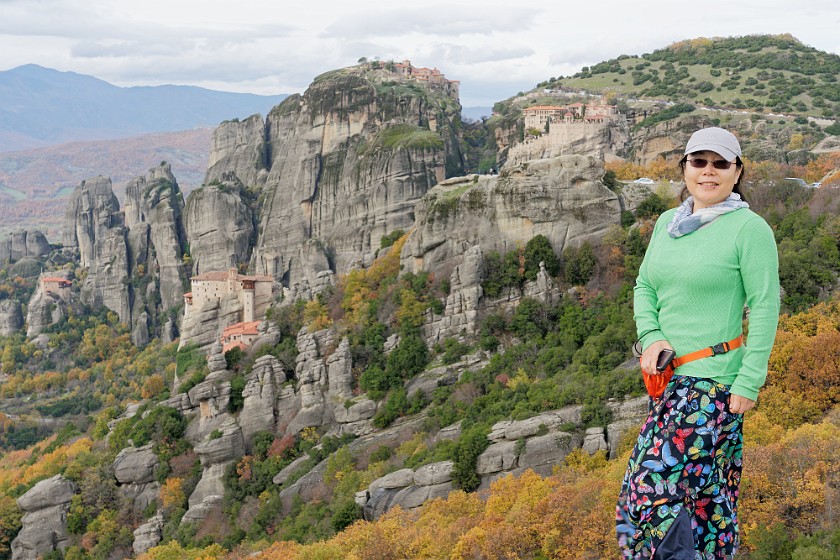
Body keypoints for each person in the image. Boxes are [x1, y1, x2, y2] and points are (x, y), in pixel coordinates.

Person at [615, 127, 780, 559]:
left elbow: (765, 307)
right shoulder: (669, 224)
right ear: (684, 168)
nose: (709, 172)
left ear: (737, 171)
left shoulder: (749, 229)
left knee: (649, 489)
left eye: (720, 163)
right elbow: (644, 285)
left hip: (715, 384)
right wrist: (650, 337)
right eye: (699, 161)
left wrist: (750, 381)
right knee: (706, 497)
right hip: (669, 381)